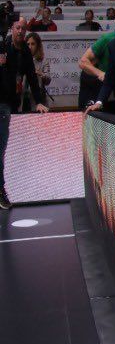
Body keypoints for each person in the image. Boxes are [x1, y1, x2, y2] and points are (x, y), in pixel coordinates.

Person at [0, 24, 50, 209]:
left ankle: (4, 188)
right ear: (12, 30)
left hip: (11, 103)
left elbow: (31, 77)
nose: (20, 31)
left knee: (4, 148)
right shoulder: (3, 47)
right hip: (2, 103)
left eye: (23, 28)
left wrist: (39, 101)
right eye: (17, 28)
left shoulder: (26, 53)